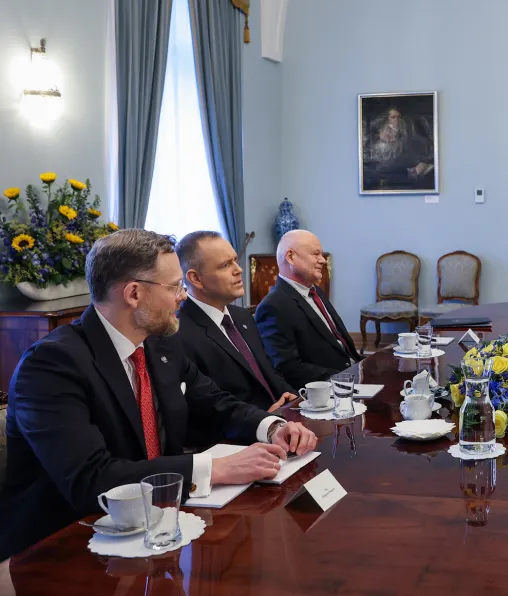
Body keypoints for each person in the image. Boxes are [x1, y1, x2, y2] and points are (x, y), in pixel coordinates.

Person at [0, 229, 318, 561]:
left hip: (157, 528)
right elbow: (91, 480)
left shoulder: (160, 343)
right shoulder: (52, 365)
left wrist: (272, 426)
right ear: (134, 293)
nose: (183, 296)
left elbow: (214, 403)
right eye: (174, 287)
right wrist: (215, 468)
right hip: (62, 547)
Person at [174, 231, 297, 412]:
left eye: (234, 260)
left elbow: (269, 372)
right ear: (196, 279)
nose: (238, 270)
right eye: (225, 265)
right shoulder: (179, 333)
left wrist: (295, 400)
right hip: (246, 435)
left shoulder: (242, 316)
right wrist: (263, 421)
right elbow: (205, 407)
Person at [255, 230, 361, 390]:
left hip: (354, 376)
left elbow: (341, 345)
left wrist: (365, 368)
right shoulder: (274, 306)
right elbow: (287, 368)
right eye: (316, 254)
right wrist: (346, 379)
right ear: (290, 257)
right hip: (329, 390)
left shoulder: (316, 292)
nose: (323, 260)